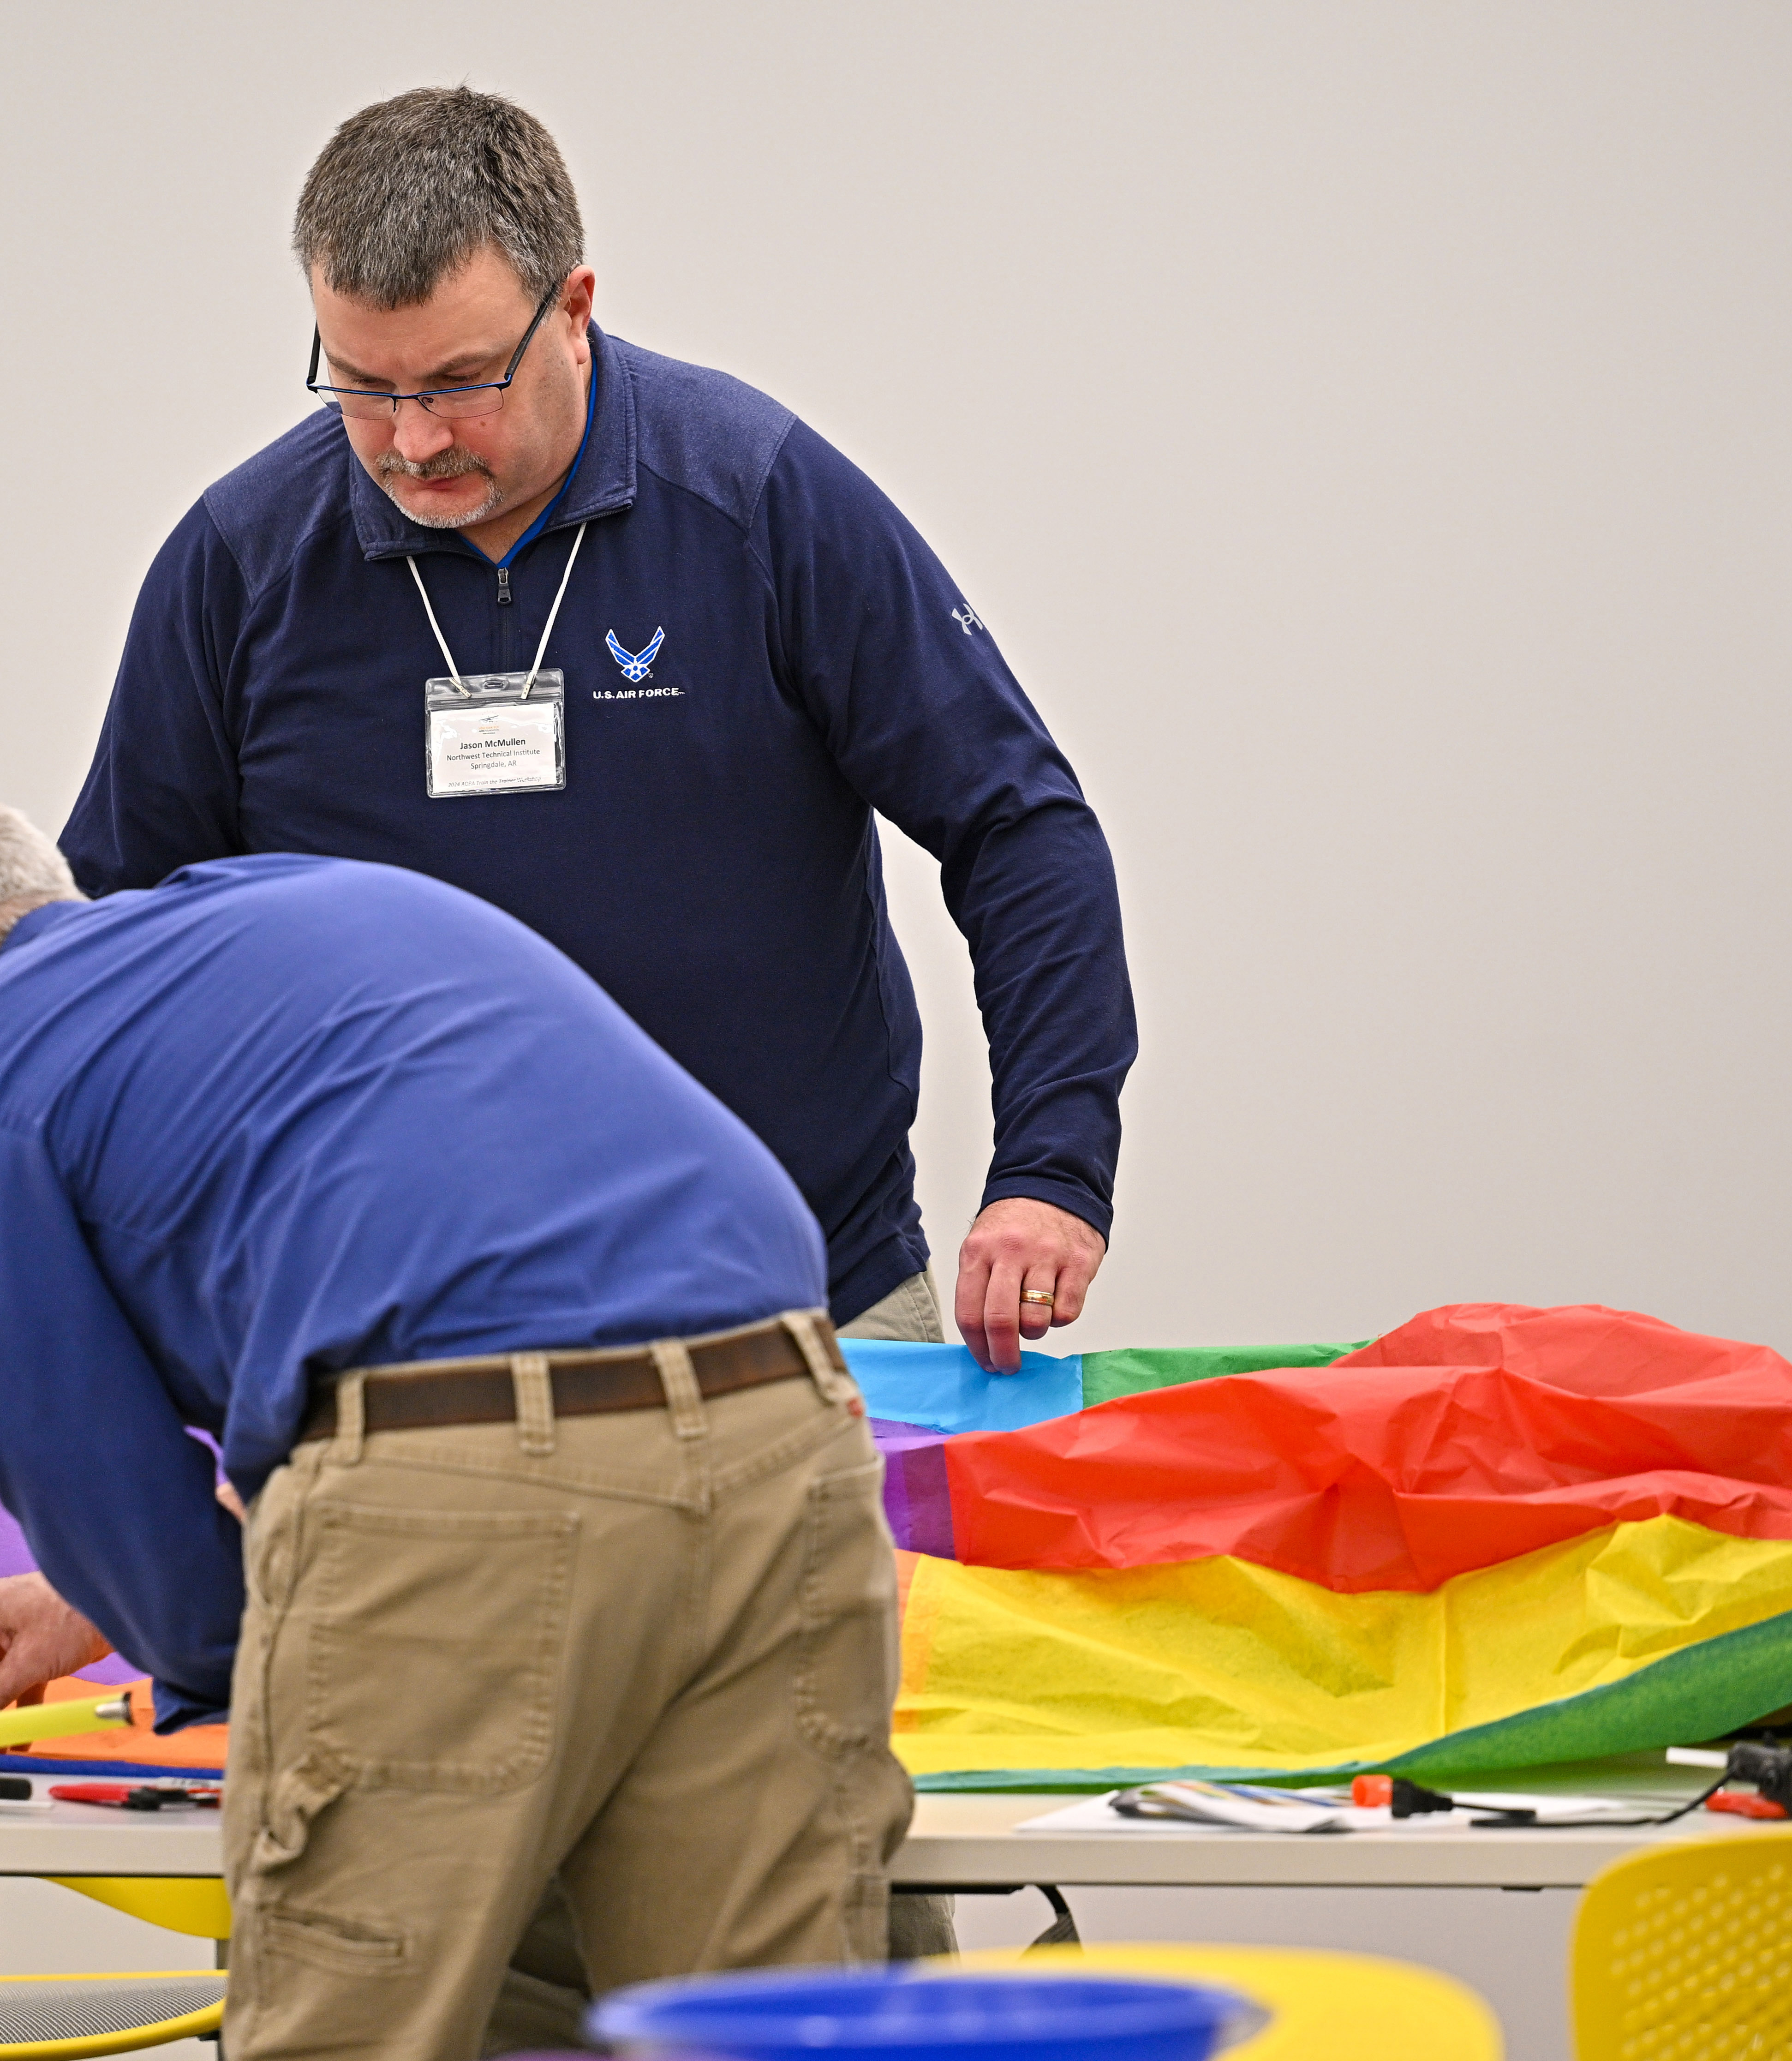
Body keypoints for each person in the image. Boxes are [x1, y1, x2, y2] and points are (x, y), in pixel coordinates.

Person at [0, 785, 907, 2061]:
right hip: (790, 1419)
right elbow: (486, 1297)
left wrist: (242, 1670)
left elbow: (105, 1490)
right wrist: (115, 1597)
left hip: (470, 1505)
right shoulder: (323, 902)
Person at [63, 86, 1135, 1374]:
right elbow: (116, 941)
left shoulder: (756, 498)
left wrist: (1049, 1169)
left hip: (802, 1312)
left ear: (572, 311)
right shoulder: (241, 562)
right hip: (395, 1350)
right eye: (361, 385)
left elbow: (1017, 822)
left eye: (461, 384)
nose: (410, 444)